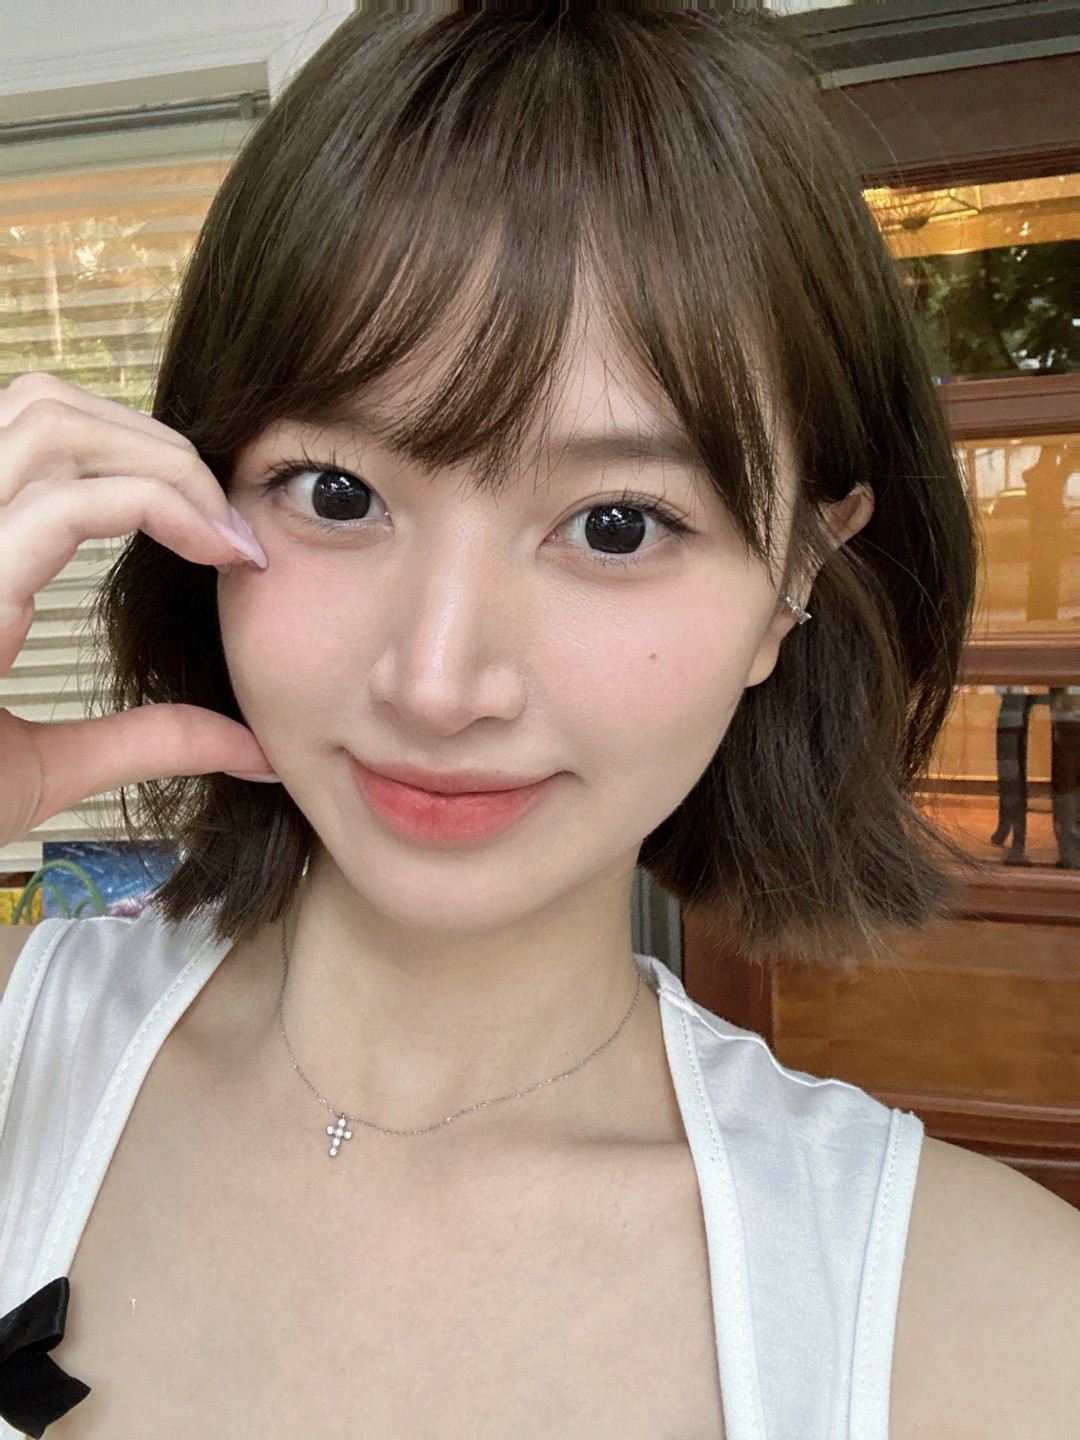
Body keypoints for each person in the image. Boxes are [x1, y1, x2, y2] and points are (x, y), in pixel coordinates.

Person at [0, 4, 1076, 1437]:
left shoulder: (997, 1338)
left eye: (617, 522)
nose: (438, 682)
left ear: (797, 578)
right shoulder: (18, 1053)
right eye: (337, 493)